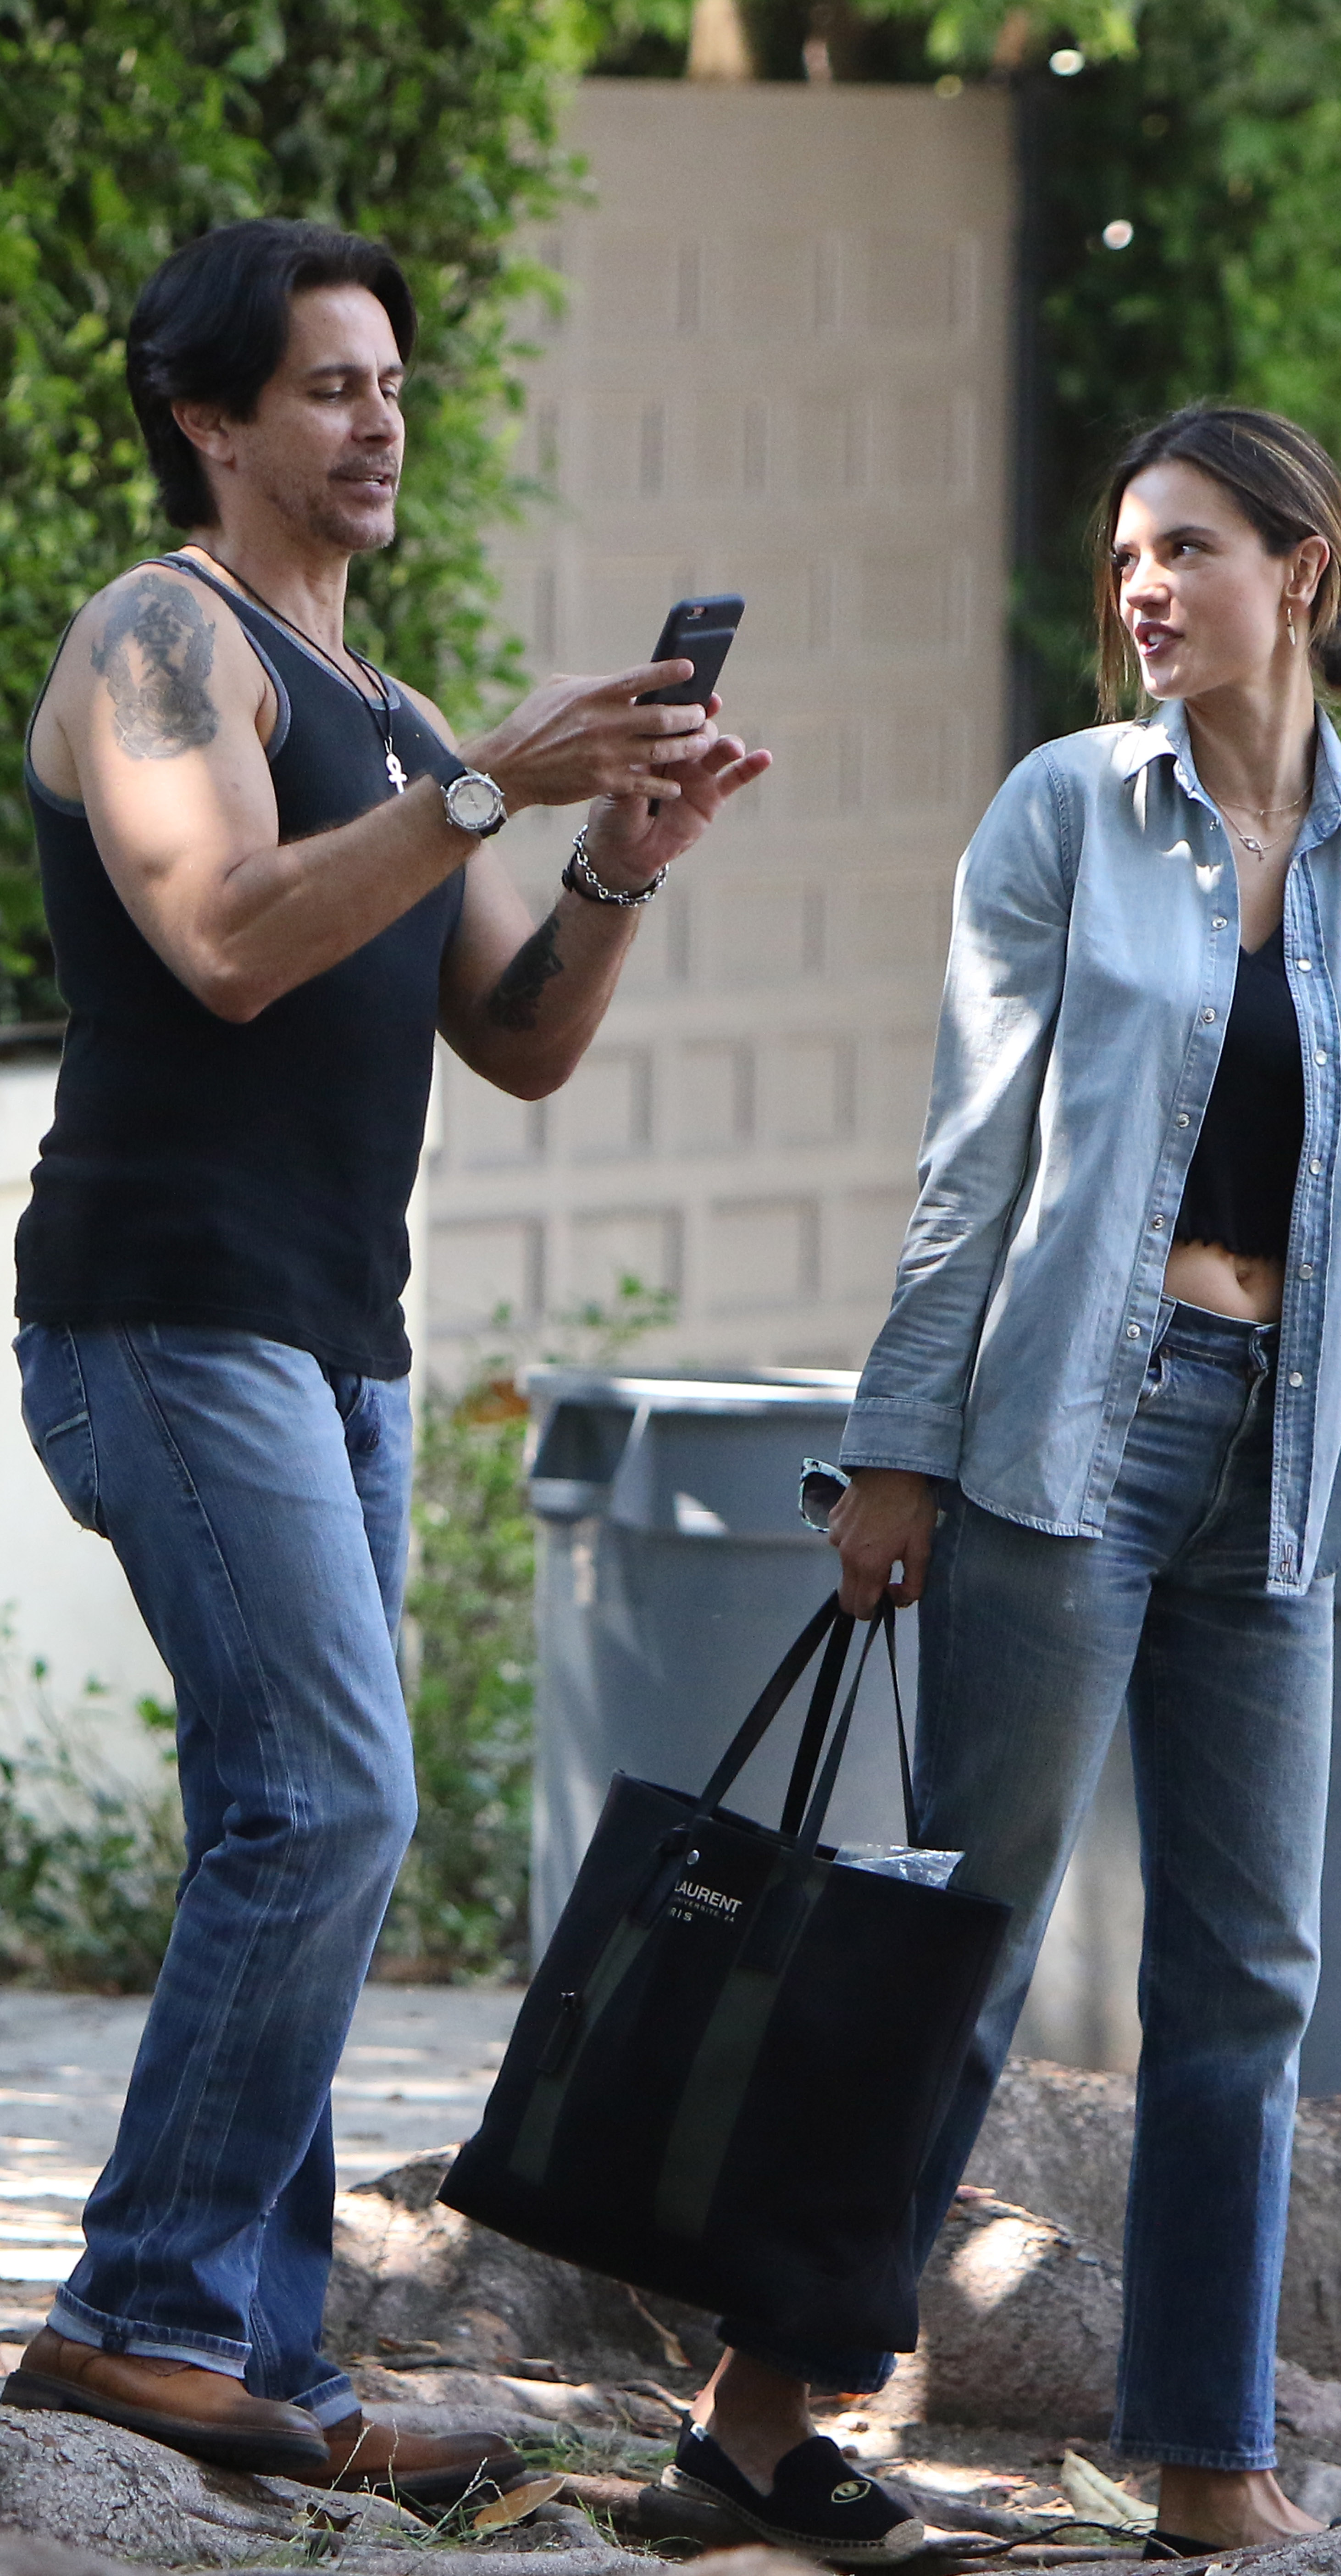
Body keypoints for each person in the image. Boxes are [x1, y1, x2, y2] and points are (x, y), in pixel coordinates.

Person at [666, 407, 1341, 2562]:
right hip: (1066, 1439)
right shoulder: (1067, 811)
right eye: (1127, 553)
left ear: (1300, 573)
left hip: (1282, 1458)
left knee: (1252, 1975)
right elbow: (972, 1164)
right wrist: (897, 1453)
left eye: (1187, 549)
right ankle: (757, 2414)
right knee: (963, 1934)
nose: (1141, 586)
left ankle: (1211, 2464)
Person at [4, 217, 767, 2498]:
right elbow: (228, 938)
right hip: (167, 1314)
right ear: (210, 419)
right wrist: (490, 786)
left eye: (394, 386)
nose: (380, 422)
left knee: (296, 1817)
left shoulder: (404, 718)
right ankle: (138, 2318)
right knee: (334, 1801)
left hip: (339, 1341)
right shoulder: (161, 640)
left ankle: (271, 2369)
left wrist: (615, 856)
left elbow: (517, 1036)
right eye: (330, 386)